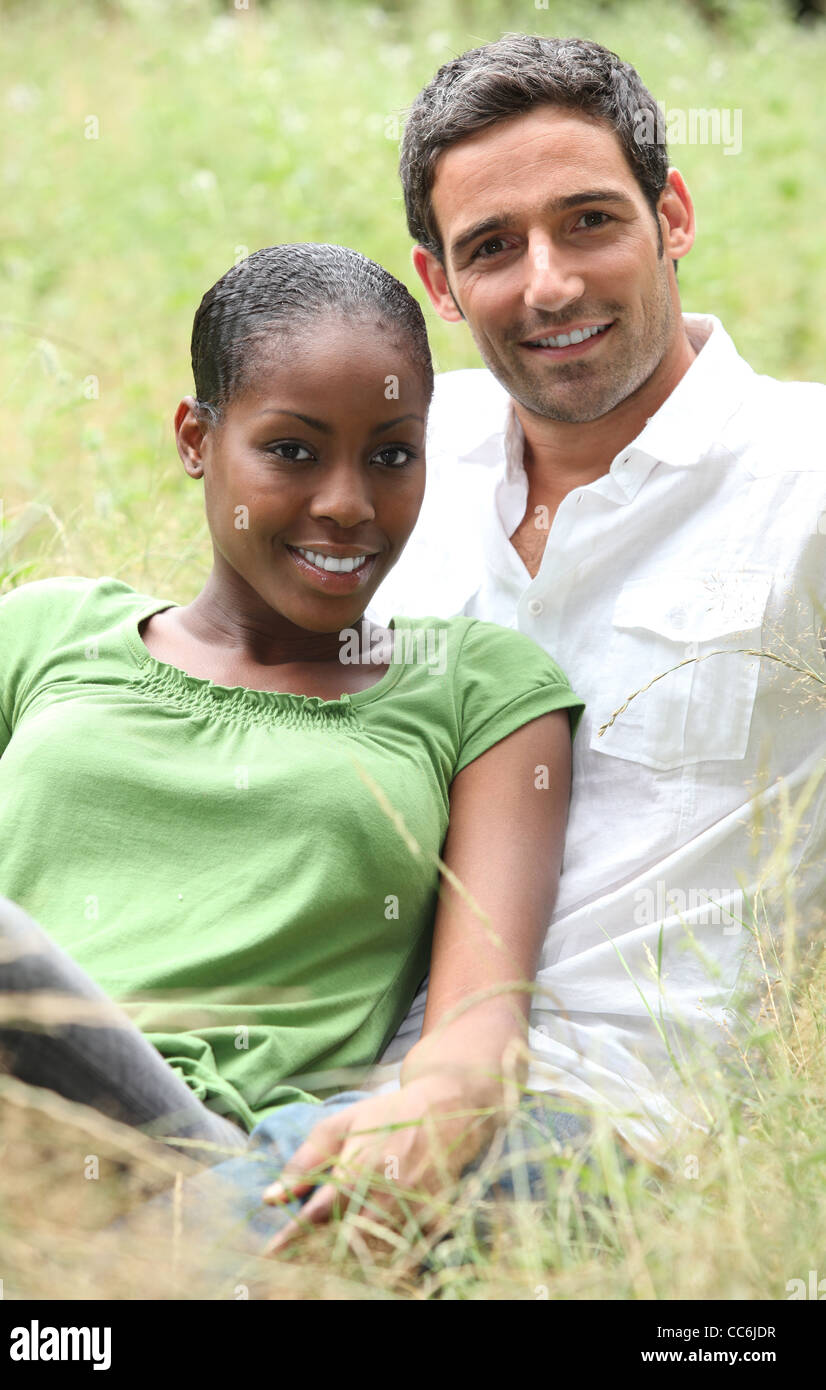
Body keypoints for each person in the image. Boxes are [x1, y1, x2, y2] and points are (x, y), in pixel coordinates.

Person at [0, 242, 586, 1260]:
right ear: (195, 439)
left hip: (195, 1151)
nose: (347, 502)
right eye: (292, 450)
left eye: (390, 454)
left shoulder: (478, 691)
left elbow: (478, 1027)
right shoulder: (39, 635)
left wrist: (428, 1118)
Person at [365, 34, 826, 1165]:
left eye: (588, 221)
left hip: (610, 1126)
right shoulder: (391, 459)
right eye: (491, 247)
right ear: (438, 284)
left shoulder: (802, 479)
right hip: (327, 1073)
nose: (549, 283)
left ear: (669, 216)